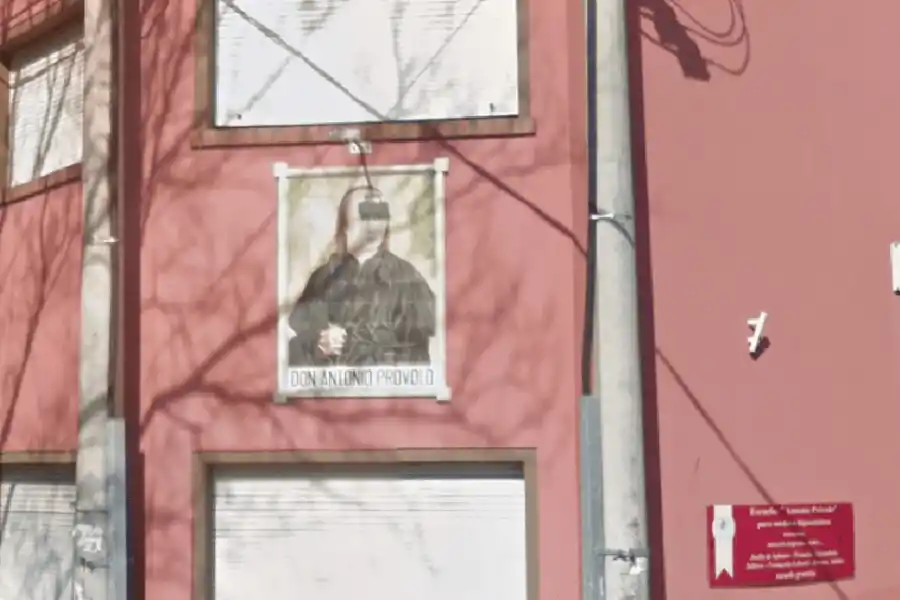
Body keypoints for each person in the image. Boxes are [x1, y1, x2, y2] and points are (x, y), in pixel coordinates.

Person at [287, 185, 436, 367]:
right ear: (345, 224)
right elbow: (297, 345)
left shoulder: (408, 280)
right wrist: (318, 345)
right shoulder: (322, 279)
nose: (372, 221)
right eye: (365, 212)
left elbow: (417, 356)